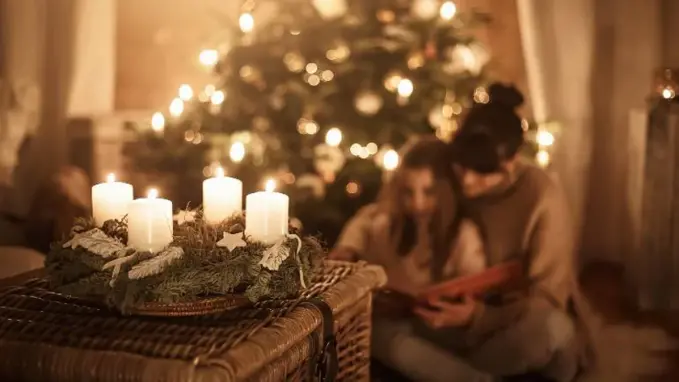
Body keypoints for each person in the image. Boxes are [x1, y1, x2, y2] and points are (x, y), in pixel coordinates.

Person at [411, 83, 578, 381]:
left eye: (484, 173)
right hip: (452, 325)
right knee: (383, 331)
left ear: (512, 162)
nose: (469, 182)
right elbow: (383, 210)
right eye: (463, 168)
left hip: (512, 326)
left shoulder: (542, 196)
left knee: (550, 328)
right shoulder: (448, 173)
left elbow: (549, 299)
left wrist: (478, 317)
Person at [330, 136, 495, 381]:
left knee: (397, 342)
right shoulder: (389, 224)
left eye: (428, 192)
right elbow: (365, 220)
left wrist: (464, 309)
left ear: (445, 190)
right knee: (379, 335)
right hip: (399, 325)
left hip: (443, 328)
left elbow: (476, 285)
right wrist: (347, 249)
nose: (417, 203)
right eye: (408, 192)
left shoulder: (463, 234)